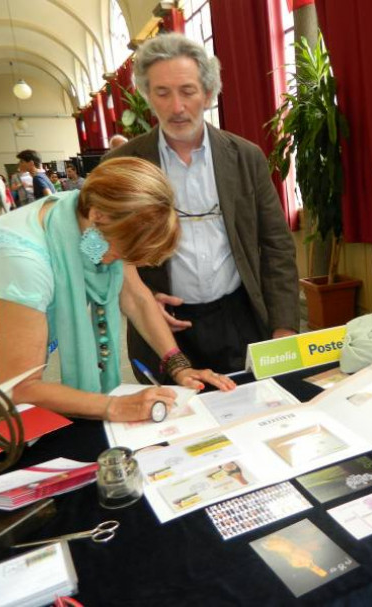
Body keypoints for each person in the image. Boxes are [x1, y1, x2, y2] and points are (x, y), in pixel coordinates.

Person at [0, 157, 235, 422]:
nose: (120, 263)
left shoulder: (85, 218)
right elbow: (20, 387)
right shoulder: (22, 262)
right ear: (97, 216)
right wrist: (115, 406)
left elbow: (134, 295)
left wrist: (179, 366)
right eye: (122, 252)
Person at [105, 33, 299, 382]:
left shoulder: (245, 156)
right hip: (163, 326)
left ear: (208, 95)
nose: (176, 107)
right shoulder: (122, 164)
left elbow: (277, 245)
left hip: (240, 317)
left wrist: (284, 325)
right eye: (162, 93)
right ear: (147, 96)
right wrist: (140, 298)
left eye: (188, 91)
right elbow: (96, 248)